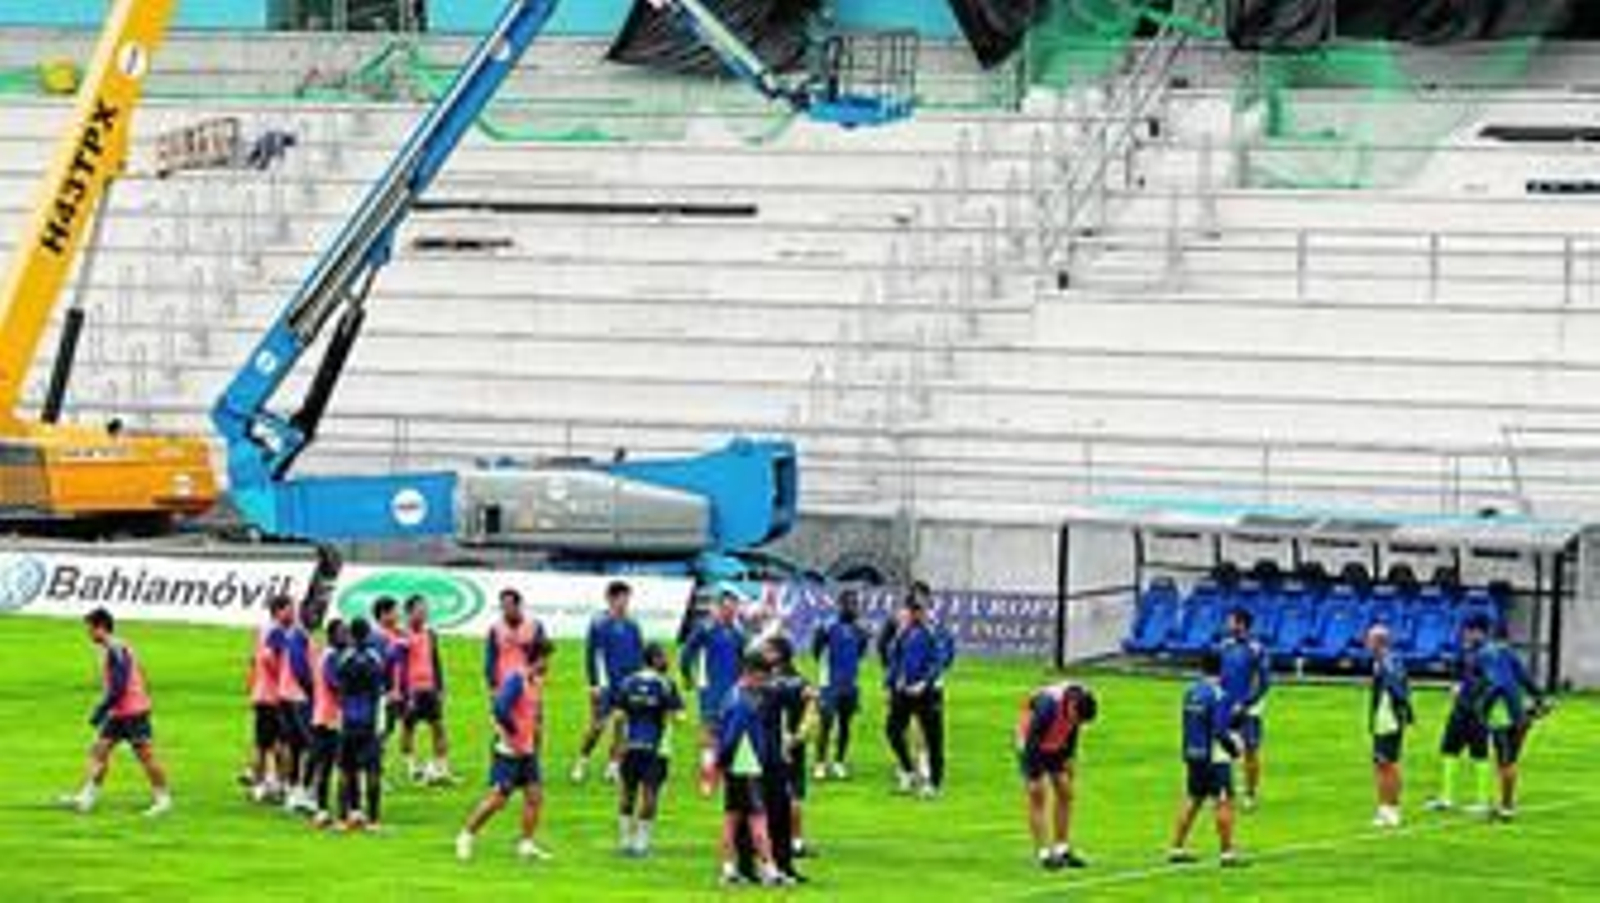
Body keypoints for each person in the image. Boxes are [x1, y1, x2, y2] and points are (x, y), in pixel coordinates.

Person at [59, 608, 172, 816]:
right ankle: (86, 798)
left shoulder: (115, 649)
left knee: (146, 756)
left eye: (90, 629)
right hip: (120, 711)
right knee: (99, 750)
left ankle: (163, 800)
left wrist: (100, 711)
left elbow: (119, 686)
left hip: (133, 711)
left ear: (101, 628)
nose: (88, 634)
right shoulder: (117, 647)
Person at [456, 635, 556, 863]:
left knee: (534, 796)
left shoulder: (536, 682)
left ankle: (526, 844)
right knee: (498, 800)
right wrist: (512, 732)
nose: (549, 664)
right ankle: (466, 836)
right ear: (538, 658)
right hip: (509, 750)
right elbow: (500, 708)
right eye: (547, 659)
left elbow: (535, 715)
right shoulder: (516, 679)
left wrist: (534, 738)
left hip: (527, 751)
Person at [716, 653, 789, 887]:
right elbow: (732, 736)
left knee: (732, 818)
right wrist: (723, 760)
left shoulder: (734, 695)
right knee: (758, 820)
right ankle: (769, 870)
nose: (765, 683)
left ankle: (729, 870)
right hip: (746, 767)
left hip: (739, 767)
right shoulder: (742, 701)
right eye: (762, 678)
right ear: (750, 673)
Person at [607, 642, 684, 857]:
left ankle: (624, 842)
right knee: (650, 794)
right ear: (655, 659)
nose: (667, 660)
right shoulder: (666, 684)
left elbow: (619, 717)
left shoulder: (627, 683)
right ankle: (641, 844)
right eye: (664, 657)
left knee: (627, 793)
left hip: (630, 747)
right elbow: (678, 716)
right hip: (657, 750)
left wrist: (616, 752)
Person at [1169, 652, 1244, 868]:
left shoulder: (1191, 692)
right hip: (1214, 757)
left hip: (1193, 753)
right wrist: (1234, 750)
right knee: (1223, 801)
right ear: (1221, 670)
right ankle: (1227, 853)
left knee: (1193, 798)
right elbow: (1220, 730)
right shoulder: (1219, 694)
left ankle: (1177, 848)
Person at [1017, 681, 1097, 870]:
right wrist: (1034, 775)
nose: (1078, 723)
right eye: (1077, 718)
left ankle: (1062, 848)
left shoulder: (1079, 704)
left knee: (1066, 792)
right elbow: (1031, 742)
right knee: (1038, 794)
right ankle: (1043, 853)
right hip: (1030, 742)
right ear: (1071, 707)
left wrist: (1069, 759)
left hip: (1055, 742)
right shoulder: (1048, 707)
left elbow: (1073, 731)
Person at [1475, 617, 1549, 822]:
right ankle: (1505, 804)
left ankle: (1506, 808)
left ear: (1490, 635)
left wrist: (1482, 707)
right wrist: (1540, 699)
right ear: (1507, 638)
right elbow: (1525, 679)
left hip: (1502, 716)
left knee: (1504, 762)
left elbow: (1491, 683)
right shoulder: (1511, 654)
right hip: (1520, 715)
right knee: (1511, 761)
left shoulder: (1485, 654)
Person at [573, 580, 645, 785]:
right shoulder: (599, 624)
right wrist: (594, 684)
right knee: (597, 726)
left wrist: (638, 680)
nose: (624, 603)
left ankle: (613, 767)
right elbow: (591, 656)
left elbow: (639, 655)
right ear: (610, 599)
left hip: (626, 684)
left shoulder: (633, 625)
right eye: (621, 598)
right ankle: (582, 761)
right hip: (605, 685)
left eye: (627, 598)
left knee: (621, 725)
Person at [681, 587, 748, 796]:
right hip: (709, 690)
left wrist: (744, 684)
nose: (730, 611)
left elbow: (745, 662)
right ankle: (707, 780)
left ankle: (723, 775)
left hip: (734, 692)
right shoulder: (705, 629)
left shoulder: (739, 633)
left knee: (730, 735)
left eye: (733, 607)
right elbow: (686, 654)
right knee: (709, 734)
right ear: (718, 608)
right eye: (726, 607)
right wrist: (689, 678)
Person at [1425, 617, 1493, 813]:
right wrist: (1455, 685)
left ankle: (1482, 802)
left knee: (1479, 753)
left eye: (1471, 631)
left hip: (1478, 711)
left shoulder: (1489, 654)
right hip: (1460, 708)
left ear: (1481, 632)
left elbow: (1490, 682)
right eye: (1466, 631)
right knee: (1449, 749)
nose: (1467, 634)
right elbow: (1458, 674)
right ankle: (1446, 798)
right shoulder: (1464, 651)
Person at [885, 591, 948, 798]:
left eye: (918, 609)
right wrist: (892, 682)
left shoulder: (934, 631)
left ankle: (935, 784)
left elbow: (938, 661)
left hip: (928, 692)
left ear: (925, 610)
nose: (915, 613)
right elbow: (895, 657)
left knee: (934, 738)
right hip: (904, 690)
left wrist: (925, 682)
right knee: (892, 730)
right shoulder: (904, 631)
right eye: (912, 609)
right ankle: (908, 770)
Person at [336, 617, 389, 831]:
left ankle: (347, 816)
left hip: (348, 720)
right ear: (368, 635)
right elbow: (380, 688)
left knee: (347, 770)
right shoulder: (374, 658)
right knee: (373, 770)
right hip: (369, 720)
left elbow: (339, 685)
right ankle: (374, 820)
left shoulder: (344, 658)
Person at [812, 590, 871, 780]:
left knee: (845, 724)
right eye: (850, 604)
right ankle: (820, 763)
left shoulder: (860, 631)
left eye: (855, 604)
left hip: (850, 684)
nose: (854, 608)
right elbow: (816, 651)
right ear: (841, 606)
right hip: (829, 684)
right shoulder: (827, 627)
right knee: (826, 723)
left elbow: (860, 653)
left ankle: (839, 762)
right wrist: (825, 674)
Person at [1218, 607, 1270, 811]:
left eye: (1230, 621)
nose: (1227, 624)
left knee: (1250, 750)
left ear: (1241, 624)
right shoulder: (1225, 646)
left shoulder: (1257, 649)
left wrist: (1247, 703)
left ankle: (1250, 794)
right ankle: (1224, 791)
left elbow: (1263, 682)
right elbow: (1221, 677)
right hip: (1226, 707)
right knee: (1223, 751)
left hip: (1248, 710)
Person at [398, 596, 453, 786]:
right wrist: (404, 692)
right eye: (420, 610)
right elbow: (400, 665)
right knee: (408, 728)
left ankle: (442, 767)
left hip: (429, 688)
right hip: (411, 691)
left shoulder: (430, 634)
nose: (424, 613)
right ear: (409, 612)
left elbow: (435, 661)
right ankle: (412, 767)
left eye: (425, 610)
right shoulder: (402, 636)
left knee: (438, 726)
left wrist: (440, 686)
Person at [1366, 625, 1414, 829]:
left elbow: (1397, 688)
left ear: (1379, 642)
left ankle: (1393, 810)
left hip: (1389, 719)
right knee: (1380, 764)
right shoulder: (1385, 661)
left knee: (1389, 764)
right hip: (1383, 718)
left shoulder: (1387, 662)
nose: (1366, 644)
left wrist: (1404, 711)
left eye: (1369, 640)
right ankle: (1383, 808)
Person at [273, 598, 316, 814]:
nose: (316, 616)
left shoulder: (294, 634)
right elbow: (300, 668)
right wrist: (312, 691)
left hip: (285, 695)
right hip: (298, 699)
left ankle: (292, 790)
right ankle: (304, 791)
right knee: (311, 746)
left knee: (295, 747)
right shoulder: (300, 635)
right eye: (312, 613)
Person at [307, 619, 348, 828]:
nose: (347, 636)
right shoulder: (331, 657)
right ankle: (325, 809)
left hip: (325, 716)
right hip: (329, 719)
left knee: (328, 765)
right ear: (332, 636)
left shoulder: (331, 655)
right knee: (330, 766)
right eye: (342, 633)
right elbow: (335, 685)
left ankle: (324, 809)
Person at [245, 598, 287, 802]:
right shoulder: (277, 632)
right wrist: (283, 679)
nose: (294, 612)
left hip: (261, 693)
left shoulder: (263, 630)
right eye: (290, 609)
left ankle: (260, 784)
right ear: (279, 611)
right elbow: (268, 659)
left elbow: (254, 660)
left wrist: (251, 687)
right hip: (274, 696)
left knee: (262, 744)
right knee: (278, 743)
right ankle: (276, 784)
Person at [486, 588, 544, 691]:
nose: (506, 609)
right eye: (503, 606)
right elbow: (491, 658)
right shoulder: (495, 629)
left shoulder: (535, 626)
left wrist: (538, 676)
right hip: (503, 683)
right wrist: (492, 684)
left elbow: (543, 655)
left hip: (528, 683)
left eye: (509, 605)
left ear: (518, 606)